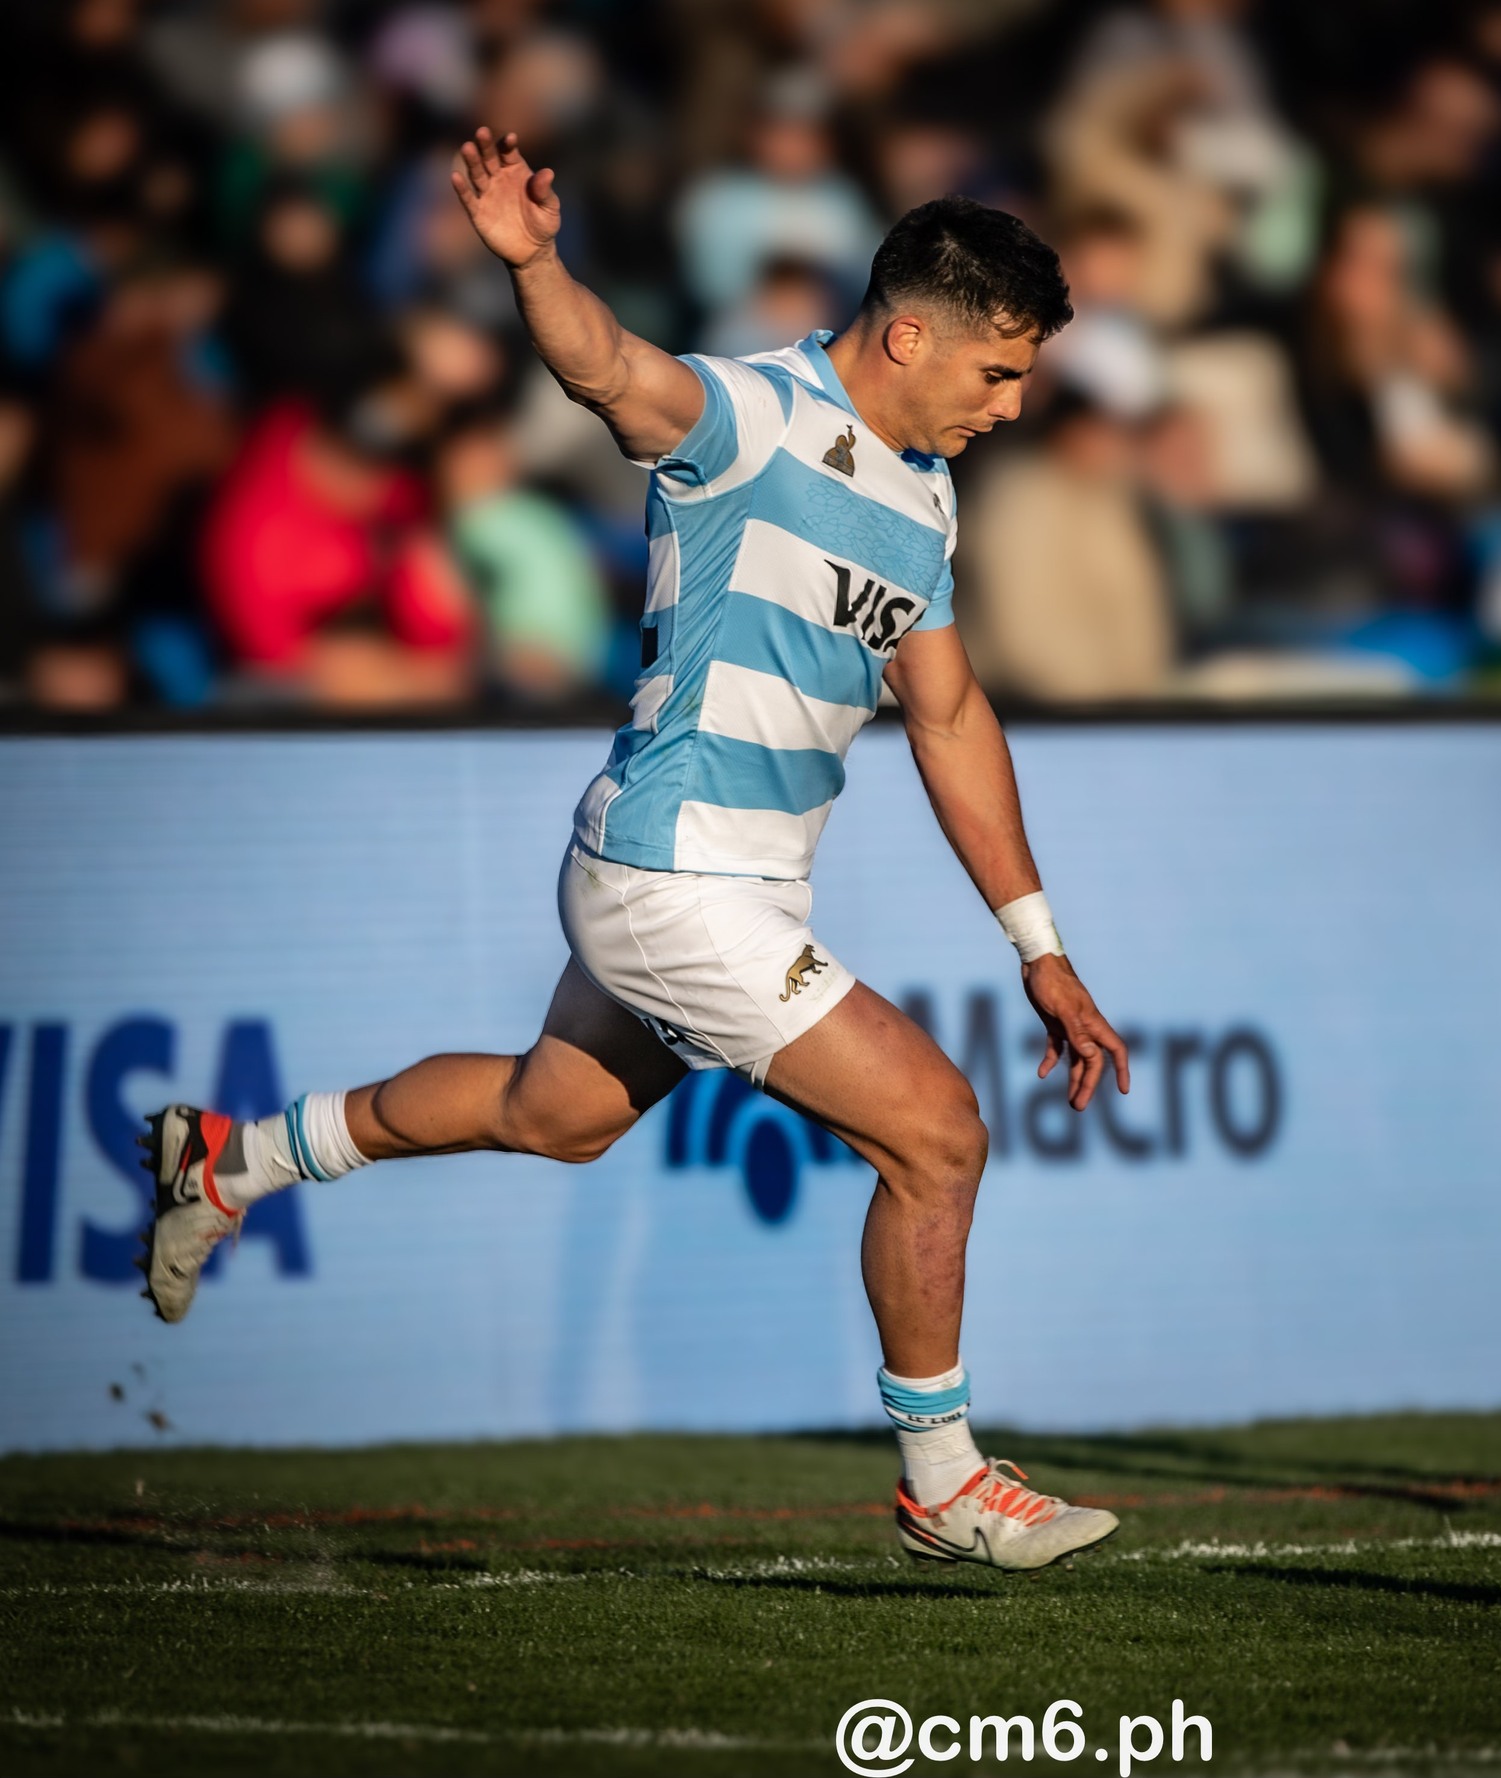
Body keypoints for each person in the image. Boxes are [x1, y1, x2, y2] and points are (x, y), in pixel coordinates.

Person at [138, 129, 1133, 1574]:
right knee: (937, 1132)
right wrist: (535, 263)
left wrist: (1040, 946)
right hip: (676, 881)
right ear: (908, 332)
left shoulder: (924, 496)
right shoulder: (750, 418)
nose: (1016, 401)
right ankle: (943, 1480)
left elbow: (951, 712)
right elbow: (611, 365)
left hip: (708, 881)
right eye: (999, 369)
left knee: (558, 1114)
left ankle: (234, 1157)